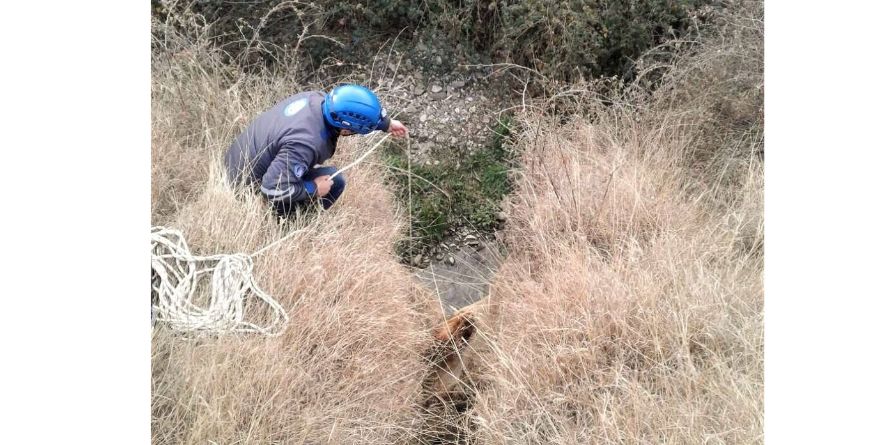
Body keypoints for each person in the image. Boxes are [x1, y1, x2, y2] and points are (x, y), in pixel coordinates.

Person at [225, 84, 409, 214]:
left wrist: (386, 124)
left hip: (234, 164)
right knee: (334, 181)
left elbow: (350, 112)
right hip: (243, 189)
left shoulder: (317, 99)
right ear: (345, 129)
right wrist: (312, 188)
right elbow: (272, 189)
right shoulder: (305, 143)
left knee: (322, 177)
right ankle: (292, 227)